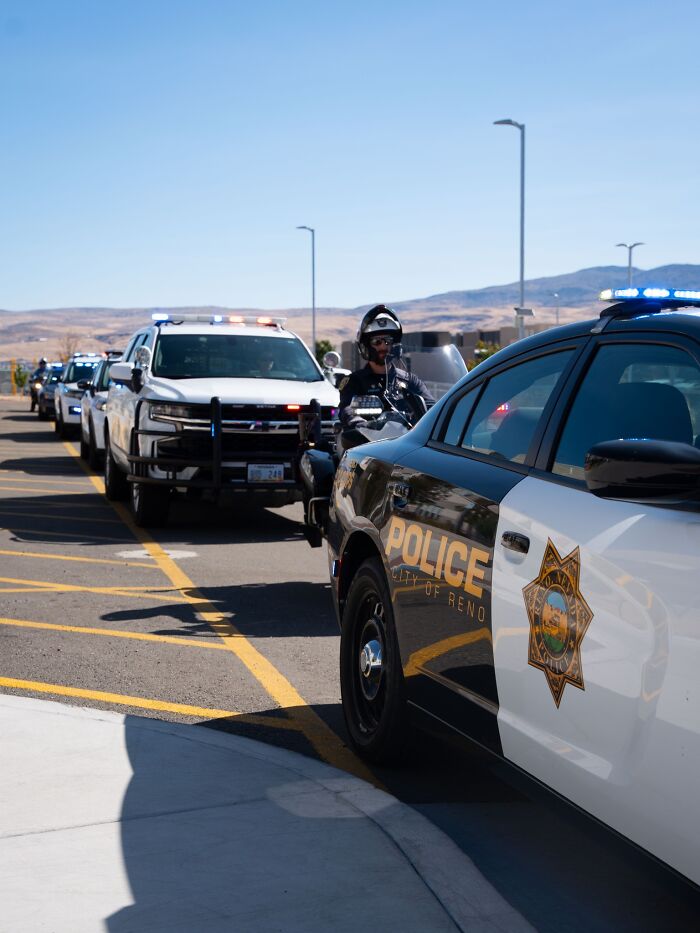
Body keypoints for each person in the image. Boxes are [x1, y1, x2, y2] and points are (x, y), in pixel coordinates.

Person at [338, 305, 433, 427]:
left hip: (408, 441)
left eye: (388, 341)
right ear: (365, 346)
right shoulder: (354, 381)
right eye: (377, 342)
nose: (383, 347)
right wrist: (359, 423)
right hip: (368, 442)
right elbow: (346, 409)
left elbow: (432, 407)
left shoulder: (410, 381)